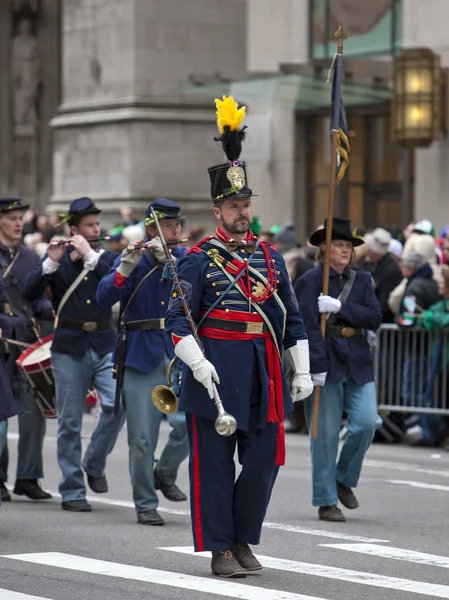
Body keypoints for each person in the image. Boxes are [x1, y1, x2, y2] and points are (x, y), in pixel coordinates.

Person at [165, 96, 313, 577]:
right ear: (218, 210)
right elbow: (177, 319)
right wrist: (196, 361)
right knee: (212, 466)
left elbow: (290, 316)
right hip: (213, 370)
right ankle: (220, 549)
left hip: (261, 372)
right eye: (234, 206)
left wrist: (302, 367)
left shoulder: (270, 258)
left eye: (246, 205)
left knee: (265, 459)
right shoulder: (197, 258)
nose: (242, 213)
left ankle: (244, 537)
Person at [23, 197, 126, 512]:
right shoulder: (59, 260)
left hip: (104, 342)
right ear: (74, 229)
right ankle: (72, 489)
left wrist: (91, 254)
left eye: (97, 225)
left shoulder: (105, 257)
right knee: (69, 420)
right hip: (69, 345)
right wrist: (49, 263)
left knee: (116, 406)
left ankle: (93, 462)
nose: (97, 229)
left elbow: (119, 284)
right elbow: (29, 293)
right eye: (90, 226)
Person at [96, 198, 189, 526]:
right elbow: (104, 297)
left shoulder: (184, 258)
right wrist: (124, 268)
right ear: (152, 228)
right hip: (139, 352)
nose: (175, 231)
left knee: (189, 426)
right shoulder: (135, 258)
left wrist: (173, 266)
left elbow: (192, 298)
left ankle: (163, 473)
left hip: (177, 352)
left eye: (177, 225)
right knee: (142, 438)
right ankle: (145, 503)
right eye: (168, 226)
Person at [295, 217, 382, 522]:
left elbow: (374, 317)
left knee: (367, 421)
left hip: (357, 359)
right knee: (325, 435)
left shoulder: (362, 281)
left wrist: (341, 308)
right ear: (323, 248)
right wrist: (313, 367)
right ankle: (325, 499)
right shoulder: (309, 281)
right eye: (339, 244)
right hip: (325, 361)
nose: (345, 250)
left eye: (348, 245)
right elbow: (305, 326)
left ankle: (342, 478)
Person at [0, 197, 53, 503]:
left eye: (20, 218)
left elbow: (37, 299)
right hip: (2, 342)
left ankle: (28, 477)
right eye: (11, 218)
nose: (18, 223)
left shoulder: (31, 258)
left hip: (27, 341)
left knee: (33, 411)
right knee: (2, 415)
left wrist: (50, 310)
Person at [363, 227, 403, 323]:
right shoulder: (380, 264)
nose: (368, 253)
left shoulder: (391, 270)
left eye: (370, 251)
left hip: (384, 321)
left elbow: (385, 303)